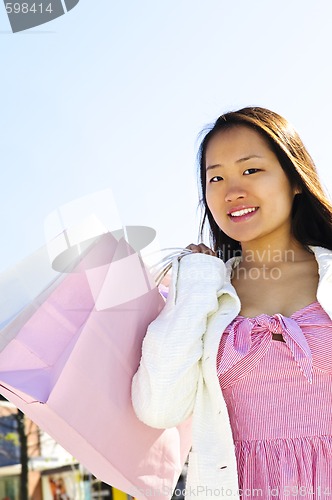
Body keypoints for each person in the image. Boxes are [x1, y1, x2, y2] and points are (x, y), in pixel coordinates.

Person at [131, 106, 332, 499]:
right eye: (216, 177)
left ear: (294, 179)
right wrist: (197, 284)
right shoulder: (202, 292)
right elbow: (159, 409)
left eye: (251, 170)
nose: (232, 190)